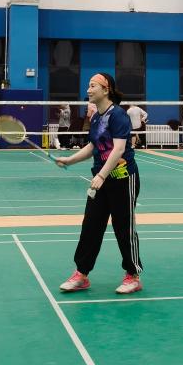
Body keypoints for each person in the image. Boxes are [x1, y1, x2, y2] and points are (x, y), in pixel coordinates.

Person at [56, 73, 142, 295]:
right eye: (88, 85)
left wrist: (102, 175)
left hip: (123, 178)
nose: (88, 90)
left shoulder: (118, 115)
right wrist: (70, 160)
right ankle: (81, 274)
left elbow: (119, 149)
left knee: (124, 228)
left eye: (93, 85)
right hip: (101, 181)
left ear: (106, 89)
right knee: (91, 226)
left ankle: (132, 275)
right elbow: (93, 146)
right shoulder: (96, 117)